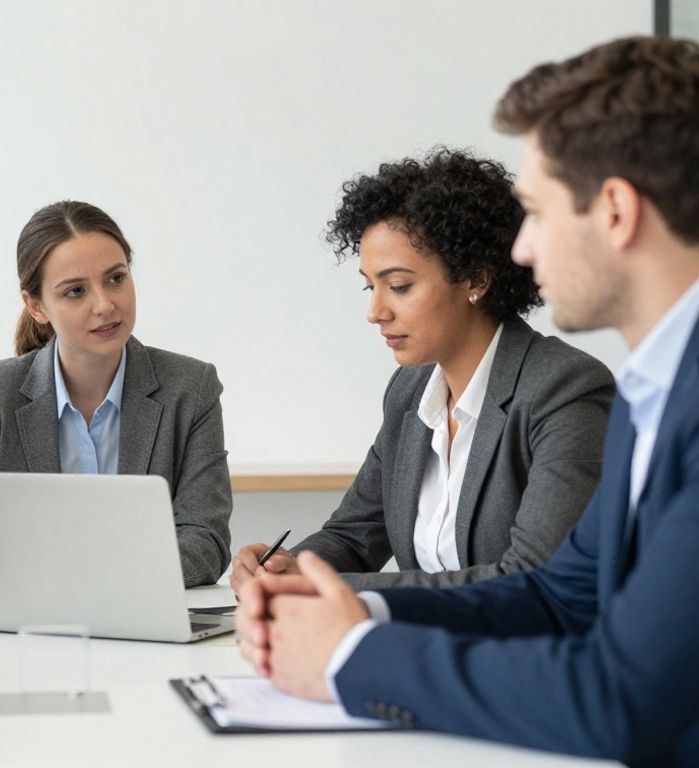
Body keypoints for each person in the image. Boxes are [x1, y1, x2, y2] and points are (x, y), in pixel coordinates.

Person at [235, 36, 699, 766]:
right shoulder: (662, 378)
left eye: (535, 213)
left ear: (616, 211)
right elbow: (557, 598)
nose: (523, 251)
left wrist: (353, 658)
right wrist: (355, 610)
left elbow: (620, 696)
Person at [230, 148, 613, 593]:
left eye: (398, 286)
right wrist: (285, 568)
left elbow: (532, 579)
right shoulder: (410, 393)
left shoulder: (564, 389)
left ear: (475, 279)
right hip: (417, 645)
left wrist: (328, 589)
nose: (375, 312)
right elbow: (353, 536)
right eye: (369, 286)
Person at [0, 201, 232, 590]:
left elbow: (205, 539)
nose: (105, 305)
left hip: (145, 623)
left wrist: (100, 583)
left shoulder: (191, 387)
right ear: (36, 307)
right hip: (32, 627)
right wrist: (57, 588)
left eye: (116, 278)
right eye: (75, 291)